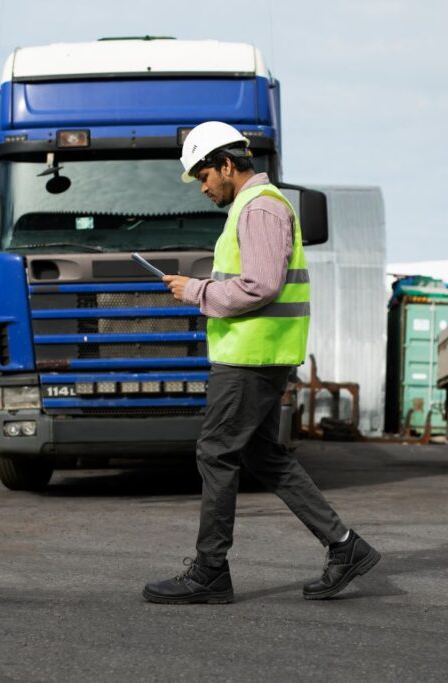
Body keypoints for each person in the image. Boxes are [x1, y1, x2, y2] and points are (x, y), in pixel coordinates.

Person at [141, 121, 380, 604]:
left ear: (227, 165)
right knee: (262, 455)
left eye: (204, 175)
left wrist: (197, 291)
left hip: (252, 358)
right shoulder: (255, 208)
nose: (202, 186)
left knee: (215, 453)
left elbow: (262, 285)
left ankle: (210, 571)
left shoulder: (261, 208)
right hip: (256, 353)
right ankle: (344, 545)